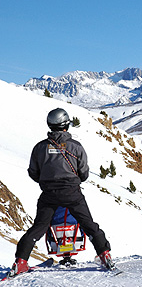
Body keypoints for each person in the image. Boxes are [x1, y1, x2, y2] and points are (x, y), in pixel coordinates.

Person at [8, 108, 114, 278]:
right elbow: (84, 173)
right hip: (72, 193)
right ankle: (105, 255)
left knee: (39, 228)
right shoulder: (76, 147)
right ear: (66, 125)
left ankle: (21, 262)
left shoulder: (40, 147)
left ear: (50, 125)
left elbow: (33, 172)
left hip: (49, 194)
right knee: (89, 225)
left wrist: (48, 182)